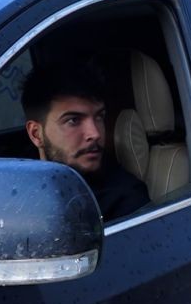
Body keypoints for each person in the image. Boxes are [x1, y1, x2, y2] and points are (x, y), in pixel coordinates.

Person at [22, 62, 149, 221]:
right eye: (74, 120)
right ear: (36, 134)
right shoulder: (16, 179)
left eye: (99, 117)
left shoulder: (125, 200)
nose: (95, 134)